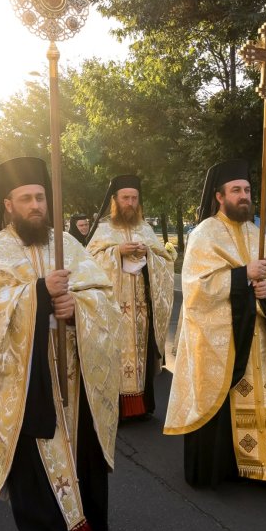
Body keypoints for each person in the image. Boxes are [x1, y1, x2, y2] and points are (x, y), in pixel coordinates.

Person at [0, 156, 121, 531]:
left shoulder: (67, 245)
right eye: (27, 199)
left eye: (41, 197)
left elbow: (103, 297)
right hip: (28, 380)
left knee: (80, 448)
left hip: (74, 372)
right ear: (9, 205)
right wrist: (38, 293)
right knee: (35, 459)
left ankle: (84, 525)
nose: (36, 205)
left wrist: (77, 309)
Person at [165, 160, 266, 489]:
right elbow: (196, 290)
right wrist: (244, 276)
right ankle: (228, 467)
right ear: (220, 196)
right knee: (227, 401)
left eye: (247, 190)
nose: (244, 196)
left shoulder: (255, 232)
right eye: (236, 190)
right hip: (226, 340)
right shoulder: (204, 234)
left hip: (261, 339)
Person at [85, 175, 175, 420]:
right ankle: (117, 409)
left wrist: (148, 254)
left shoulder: (145, 228)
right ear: (115, 200)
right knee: (114, 354)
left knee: (140, 357)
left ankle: (142, 406)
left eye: (134, 198)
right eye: (125, 198)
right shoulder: (103, 229)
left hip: (141, 309)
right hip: (114, 310)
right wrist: (116, 252)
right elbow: (88, 263)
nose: (130, 203)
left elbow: (165, 262)